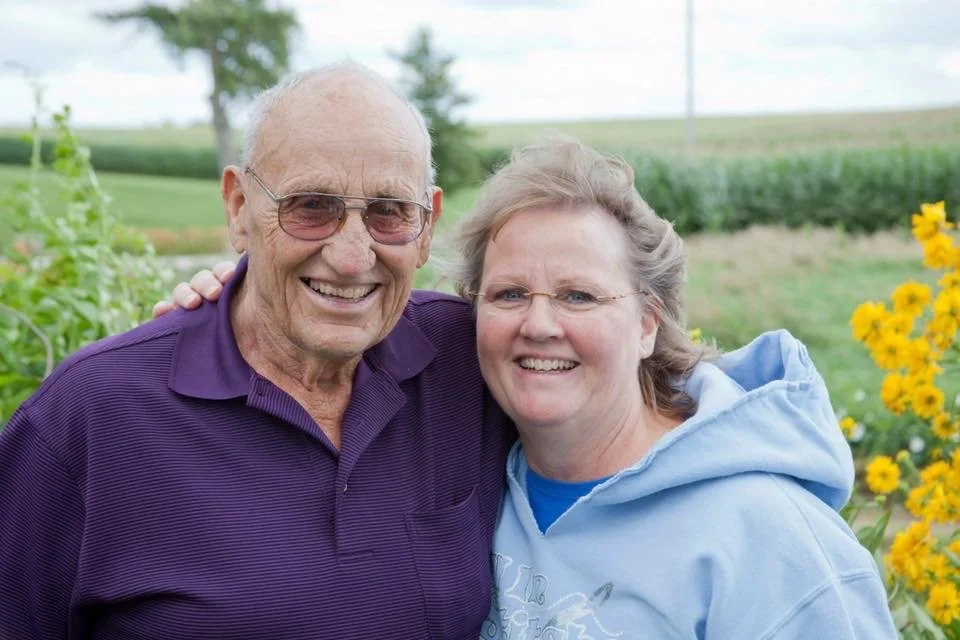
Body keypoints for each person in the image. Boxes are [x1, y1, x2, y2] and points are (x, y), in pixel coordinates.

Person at [170, 139, 897, 638]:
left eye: (579, 297)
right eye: (510, 294)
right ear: (471, 314)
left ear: (647, 323)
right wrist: (235, 308)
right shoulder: (479, 466)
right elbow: (331, 325)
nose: (539, 325)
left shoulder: (771, 540)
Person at [0, 62, 513, 639]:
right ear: (239, 206)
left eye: (389, 212)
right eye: (310, 207)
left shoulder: (473, 360)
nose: (350, 256)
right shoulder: (91, 413)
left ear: (427, 226)